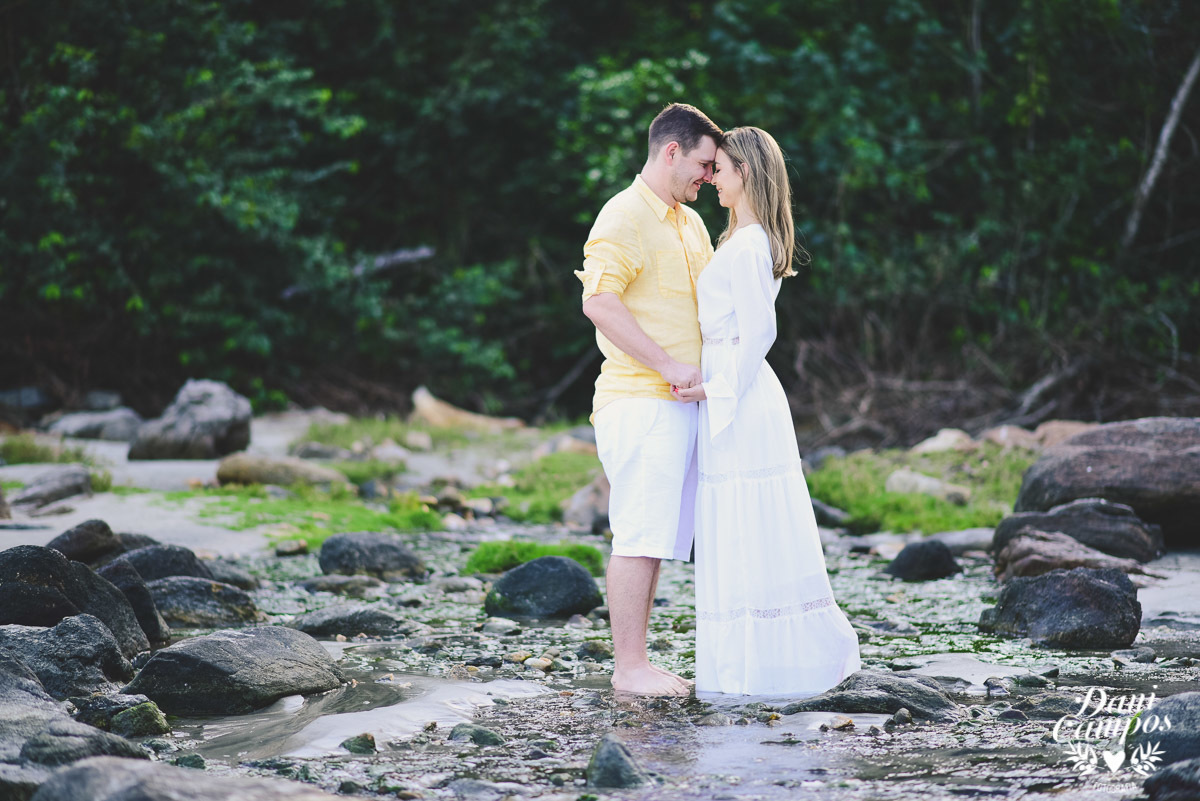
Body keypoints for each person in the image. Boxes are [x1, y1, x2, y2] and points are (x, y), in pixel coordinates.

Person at [673, 127, 861, 695]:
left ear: (746, 173)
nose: (712, 178)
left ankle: (770, 668)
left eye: (721, 169)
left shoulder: (751, 243)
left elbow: (761, 331)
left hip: (740, 393)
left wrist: (716, 389)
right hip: (731, 386)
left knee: (747, 522)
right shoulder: (738, 238)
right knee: (732, 523)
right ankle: (740, 668)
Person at [575, 102, 722, 696]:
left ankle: (640, 662)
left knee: (657, 537)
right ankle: (629, 668)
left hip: (682, 404)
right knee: (639, 535)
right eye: (704, 164)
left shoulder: (691, 223)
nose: (709, 176)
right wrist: (665, 364)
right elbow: (598, 301)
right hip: (639, 400)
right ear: (672, 151)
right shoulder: (624, 214)